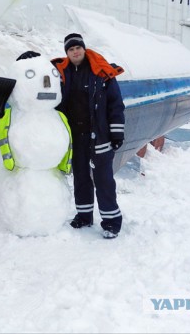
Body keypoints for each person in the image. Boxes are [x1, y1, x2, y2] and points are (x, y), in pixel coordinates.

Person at [52, 33, 125, 239]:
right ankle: (84, 216)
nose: (75, 52)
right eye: (71, 49)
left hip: (99, 136)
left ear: (84, 49)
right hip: (76, 136)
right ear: (66, 53)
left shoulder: (102, 73)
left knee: (103, 179)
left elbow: (116, 104)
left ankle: (111, 222)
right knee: (81, 177)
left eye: (78, 48)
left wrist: (116, 133)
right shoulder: (62, 73)